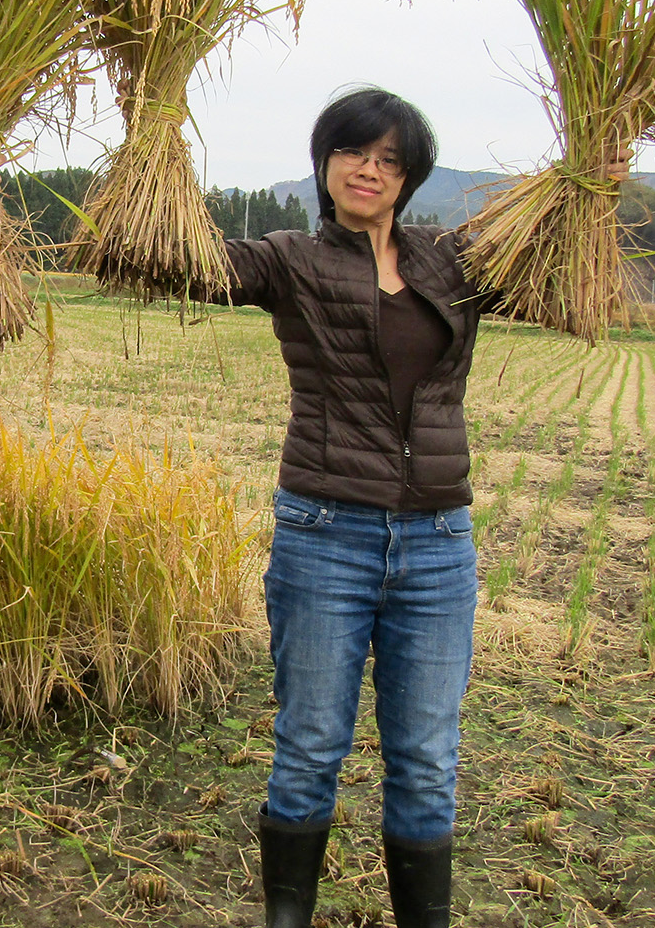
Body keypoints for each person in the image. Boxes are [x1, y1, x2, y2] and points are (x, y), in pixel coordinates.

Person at [210, 87, 629, 928]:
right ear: (324, 163)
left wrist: (598, 172)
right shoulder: (288, 257)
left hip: (439, 540)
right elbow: (183, 260)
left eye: (391, 159)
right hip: (326, 533)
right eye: (354, 152)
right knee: (309, 749)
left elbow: (556, 268)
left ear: (410, 177)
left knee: (428, 758)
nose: (370, 168)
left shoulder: (454, 261)